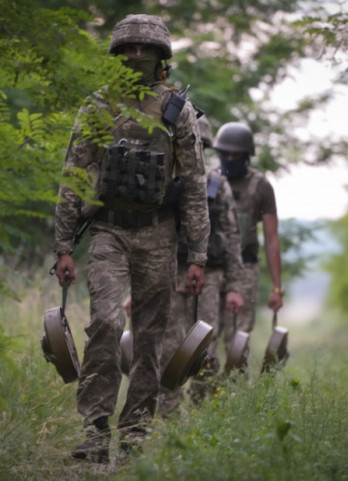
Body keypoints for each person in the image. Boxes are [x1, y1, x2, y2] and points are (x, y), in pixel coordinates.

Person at [53, 14, 209, 464]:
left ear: (161, 55)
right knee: (104, 321)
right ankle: (96, 428)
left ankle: (137, 429)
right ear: (118, 54)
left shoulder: (178, 111)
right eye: (129, 48)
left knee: (151, 337)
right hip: (108, 231)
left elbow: (195, 186)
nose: (137, 55)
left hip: (159, 235)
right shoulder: (98, 106)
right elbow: (74, 176)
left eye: (146, 48)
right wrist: (63, 246)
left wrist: (197, 254)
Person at [157, 115, 244, 415]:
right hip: (170, 272)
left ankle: (202, 413)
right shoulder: (165, 181)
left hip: (210, 277)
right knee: (167, 345)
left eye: (200, 144)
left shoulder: (219, 186)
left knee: (205, 347)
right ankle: (167, 413)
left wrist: (234, 287)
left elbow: (232, 238)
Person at [213, 122, 284, 353]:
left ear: (246, 156)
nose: (230, 159)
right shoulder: (209, 180)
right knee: (206, 333)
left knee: (238, 336)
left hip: (246, 266)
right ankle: (203, 388)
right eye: (226, 154)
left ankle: (235, 387)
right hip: (212, 266)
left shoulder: (261, 186)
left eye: (236, 155)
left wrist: (276, 288)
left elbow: (272, 238)